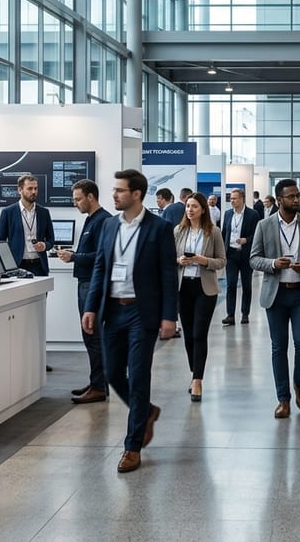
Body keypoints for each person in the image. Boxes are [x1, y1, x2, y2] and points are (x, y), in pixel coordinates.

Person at [82, 169, 178, 473]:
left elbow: (167, 275)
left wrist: (169, 317)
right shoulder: (109, 226)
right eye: (114, 190)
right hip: (112, 310)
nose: (114, 195)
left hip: (142, 312)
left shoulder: (159, 228)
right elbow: (100, 267)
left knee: (138, 376)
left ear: (137, 194)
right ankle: (147, 412)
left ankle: (132, 445)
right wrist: (90, 307)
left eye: (120, 191)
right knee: (112, 373)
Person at [250, 179, 300, 419]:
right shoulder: (264, 225)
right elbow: (254, 258)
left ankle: (299, 382)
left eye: (298, 195)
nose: (297, 200)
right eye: (291, 196)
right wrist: (272, 264)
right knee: (278, 347)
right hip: (276, 294)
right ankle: (283, 399)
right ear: (279, 199)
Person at [56, 179, 112, 405]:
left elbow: (103, 256)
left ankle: (99, 387)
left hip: (93, 286)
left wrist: (74, 257)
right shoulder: (91, 220)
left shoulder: (103, 220)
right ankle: (97, 382)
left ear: (91, 197)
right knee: (91, 337)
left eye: (78, 199)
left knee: (93, 336)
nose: (75, 203)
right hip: (86, 283)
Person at [174, 192, 227, 402]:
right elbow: (168, 259)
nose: (190, 210)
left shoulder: (213, 232)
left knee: (199, 334)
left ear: (203, 209)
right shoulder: (178, 231)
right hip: (183, 288)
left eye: (194, 206)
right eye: (188, 206)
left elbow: (222, 261)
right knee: (188, 335)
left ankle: (198, 379)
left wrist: (202, 260)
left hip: (205, 289)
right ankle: (193, 372)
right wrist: (179, 260)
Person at [0, 174, 55, 277]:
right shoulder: (8, 212)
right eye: (30, 188)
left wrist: (44, 245)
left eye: (36, 188)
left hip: (39, 266)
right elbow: (0, 242)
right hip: (17, 266)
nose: (34, 192)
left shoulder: (44, 212)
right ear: (20, 190)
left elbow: (51, 239)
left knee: (41, 293)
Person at [222, 188, 261, 326]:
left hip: (245, 254)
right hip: (231, 254)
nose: (232, 201)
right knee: (231, 284)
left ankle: (245, 313)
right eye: (231, 198)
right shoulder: (227, 214)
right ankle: (230, 315)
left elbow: (258, 235)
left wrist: (246, 240)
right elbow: (224, 233)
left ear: (242, 199)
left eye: (235, 198)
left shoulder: (253, 214)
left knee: (246, 285)